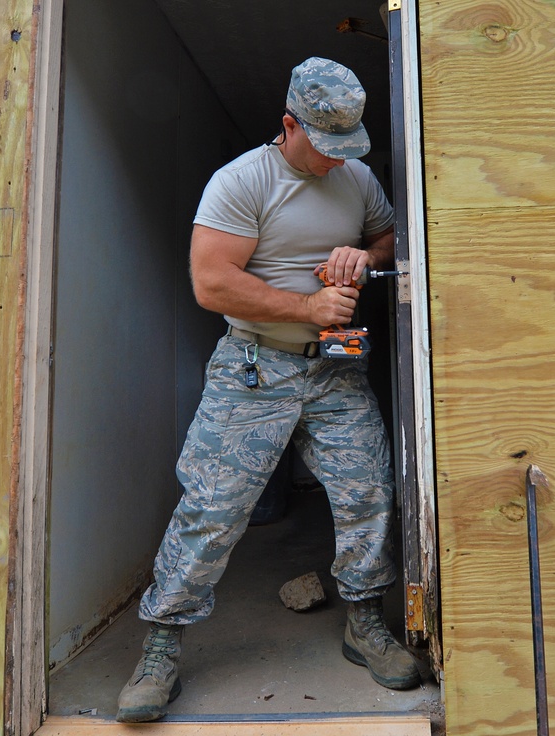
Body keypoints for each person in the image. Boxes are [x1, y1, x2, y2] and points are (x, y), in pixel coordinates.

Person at [116, 57, 419, 724]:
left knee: (368, 488)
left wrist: (364, 257)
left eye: (348, 149)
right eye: (325, 147)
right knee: (213, 507)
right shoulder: (242, 183)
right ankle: (162, 645)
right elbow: (211, 283)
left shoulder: (357, 176)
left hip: (337, 368)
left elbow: (393, 235)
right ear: (290, 125)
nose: (339, 162)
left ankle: (363, 621)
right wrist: (306, 309)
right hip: (255, 368)